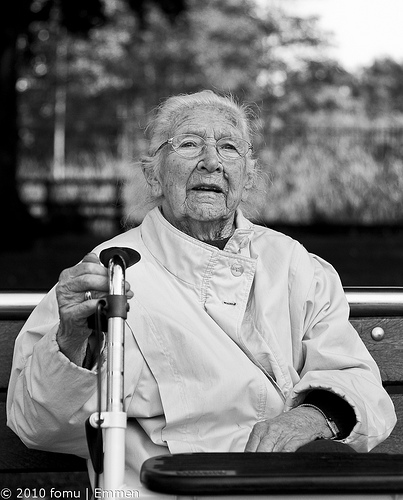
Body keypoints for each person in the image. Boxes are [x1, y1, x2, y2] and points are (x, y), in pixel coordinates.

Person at [7, 90, 396, 491]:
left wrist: (314, 414)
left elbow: (358, 382)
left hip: (285, 479)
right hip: (166, 487)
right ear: (153, 175)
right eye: (189, 144)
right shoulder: (109, 272)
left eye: (228, 147)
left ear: (248, 177)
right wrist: (72, 340)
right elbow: (36, 426)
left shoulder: (293, 263)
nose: (211, 161)